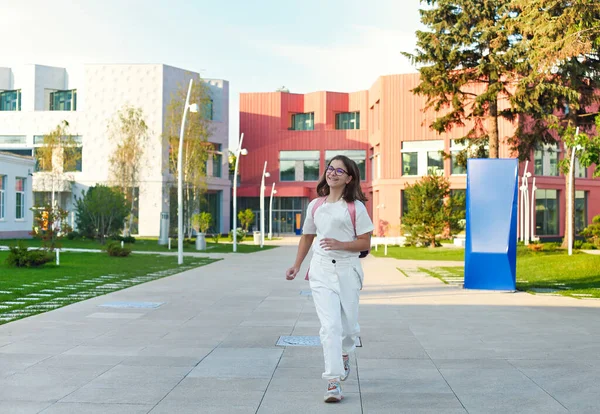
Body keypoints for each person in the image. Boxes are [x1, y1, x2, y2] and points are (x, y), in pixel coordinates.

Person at [285, 155, 374, 403]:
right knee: (330, 327)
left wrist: (342, 245)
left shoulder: (356, 207)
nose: (332, 173)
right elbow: (307, 237)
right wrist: (296, 265)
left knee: (349, 330)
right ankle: (333, 381)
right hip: (321, 269)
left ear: (349, 178)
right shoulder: (315, 206)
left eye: (339, 170)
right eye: (330, 168)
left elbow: (365, 242)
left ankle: (345, 354)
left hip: (348, 270)